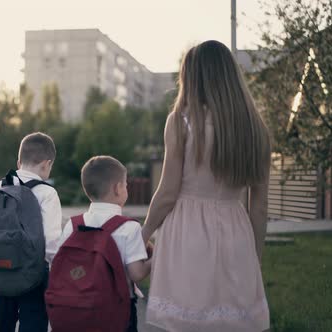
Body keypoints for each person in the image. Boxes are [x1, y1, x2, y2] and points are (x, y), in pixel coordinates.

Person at [142, 40, 271, 332]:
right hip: (236, 232)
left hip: (187, 233)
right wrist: (254, 256)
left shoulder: (181, 122)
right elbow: (259, 205)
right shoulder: (255, 128)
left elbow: (167, 193)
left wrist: (143, 233)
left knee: (186, 321)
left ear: (192, 77)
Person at [0, 132, 63, 332]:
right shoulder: (47, 193)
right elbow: (51, 242)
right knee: (33, 325)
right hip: (33, 277)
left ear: (19, 162)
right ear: (47, 164)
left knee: (2, 326)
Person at [49, 156, 151, 332]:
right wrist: (158, 256)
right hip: (117, 312)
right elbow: (137, 274)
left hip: (77, 310)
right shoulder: (129, 227)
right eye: (125, 184)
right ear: (118, 188)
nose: (126, 188)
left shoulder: (73, 225)